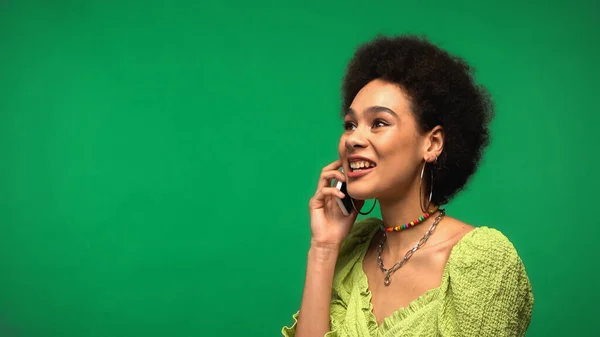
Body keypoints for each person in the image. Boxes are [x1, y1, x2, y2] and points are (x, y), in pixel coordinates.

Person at [281, 34, 534, 337]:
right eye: (350, 124)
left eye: (379, 123)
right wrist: (324, 247)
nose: (353, 139)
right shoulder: (354, 250)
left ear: (432, 143)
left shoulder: (483, 260)